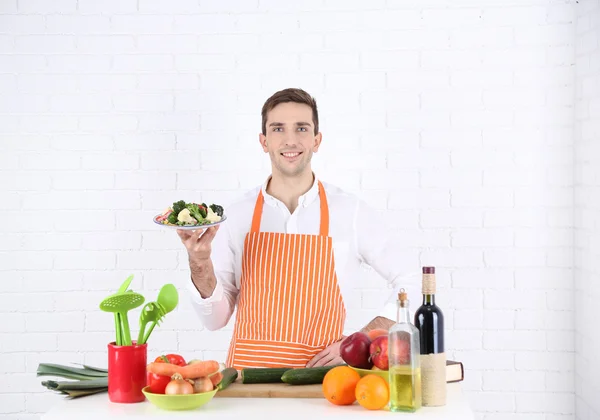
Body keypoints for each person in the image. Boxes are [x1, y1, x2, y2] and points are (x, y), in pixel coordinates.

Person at [177, 88, 413, 369]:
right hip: (246, 383)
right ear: (264, 141)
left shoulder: (351, 212)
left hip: (324, 384)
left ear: (317, 139)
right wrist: (199, 263)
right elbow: (214, 320)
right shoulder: (236, 214)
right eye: (278, 129)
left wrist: (361, 340)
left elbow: (412, 281)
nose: (290, 140)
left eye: (301, 128)